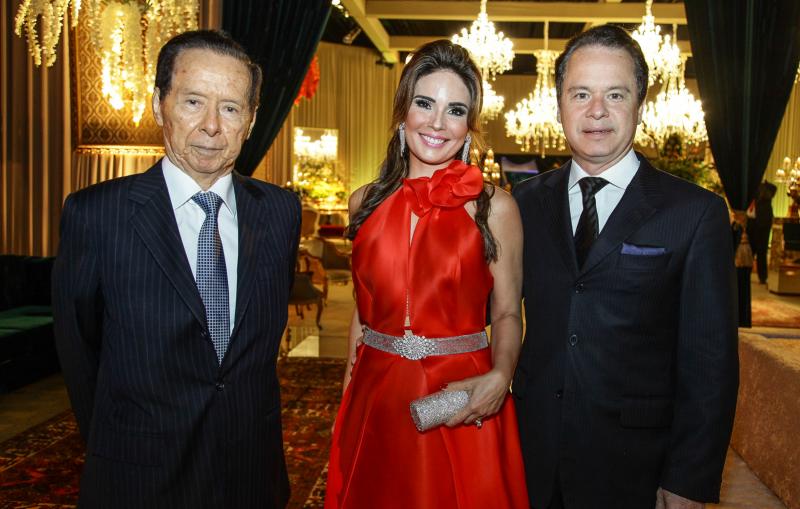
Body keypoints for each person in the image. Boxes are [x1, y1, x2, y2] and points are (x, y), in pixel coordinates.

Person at [52, 30, 299, 508]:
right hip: (139, 478)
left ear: (250, 121)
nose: (212, 126)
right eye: (193, 101)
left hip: (250, 474)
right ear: (158, 104)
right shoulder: (97, 215)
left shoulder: (280, 212)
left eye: (231, 108)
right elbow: (79, 353)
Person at [512, 25, 738, 509]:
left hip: (635, 466)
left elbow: (710, 361)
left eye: (615, 94)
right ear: (559, 104)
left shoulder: (694, 213)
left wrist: (688, 479)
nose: (596, 110)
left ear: (640, 105)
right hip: (531, 451)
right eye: (581, 94)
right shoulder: (524, 203)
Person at [324, 40, 529, 509]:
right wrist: (346, 398)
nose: (437, 123)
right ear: (402, 113)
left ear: (469, 127)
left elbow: (507, 312)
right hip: (376, 395)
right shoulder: (364, 203)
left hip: (461, 398)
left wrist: (501, 375)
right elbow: (362, 313)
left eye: (455, 110)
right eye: (424, 103)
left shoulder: (496, 208)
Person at [747, 181, 777, 283]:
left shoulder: (765, 193)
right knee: (755, 252)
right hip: (755, 225)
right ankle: (759, 277)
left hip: (760, 225)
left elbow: (773, 188)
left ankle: (761, 277)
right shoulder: (756, 191)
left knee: (759, 252)